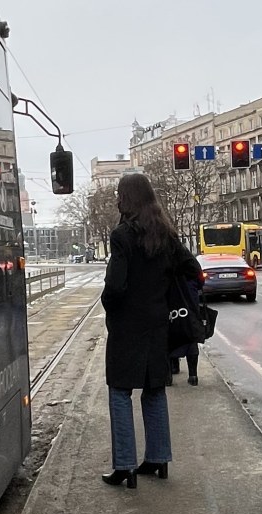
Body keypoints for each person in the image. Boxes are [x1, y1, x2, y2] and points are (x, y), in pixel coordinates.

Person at [100, 173, 201, 489]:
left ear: (126, 199)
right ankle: (158, 459)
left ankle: (125, 467)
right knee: (154, 389)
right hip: (159, 326)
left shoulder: (122, 237)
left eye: (119, 194)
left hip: (127, 328)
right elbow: (194, 271)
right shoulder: (166, 236)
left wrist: (110, 304)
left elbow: (115, 286)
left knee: (119, 391)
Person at [169, 273, 203, 386]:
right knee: (190, 336)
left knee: (169, 335)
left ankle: (168, 374)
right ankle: (193, 375)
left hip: (170, 301)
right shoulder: (188, 261)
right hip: (190, 303)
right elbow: (200, 281)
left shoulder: (165, 258)